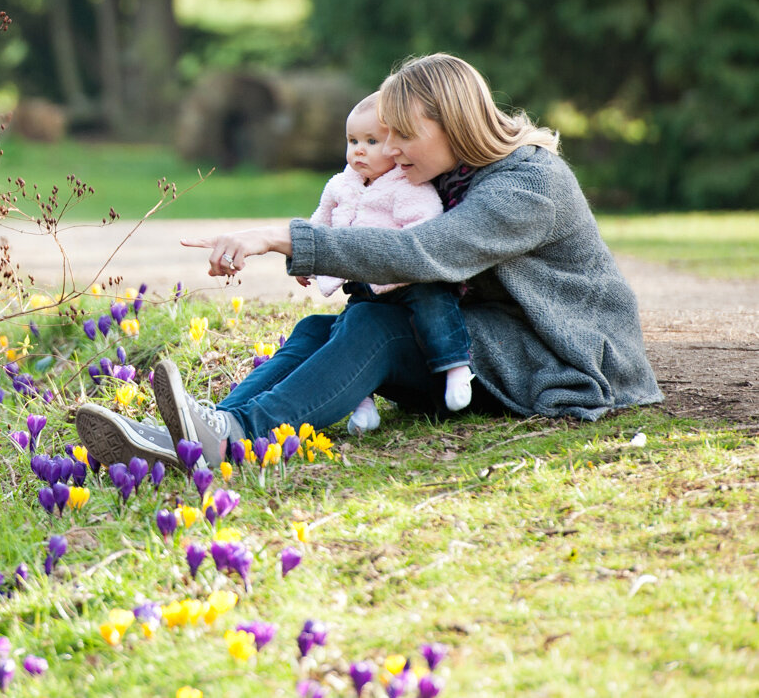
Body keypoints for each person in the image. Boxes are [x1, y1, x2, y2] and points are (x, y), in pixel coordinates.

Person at [75, 53, 662, 469]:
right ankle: (207, 429)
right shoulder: (456, 176)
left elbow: (420, 253)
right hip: (497, 341)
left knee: (374, 326)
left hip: (563, 358)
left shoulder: (527, 185)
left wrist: (285, 237)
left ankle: (239, 438)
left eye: (402, 134)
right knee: (315, 330)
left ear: (452, 124)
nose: (390, 150)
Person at [304, 91, 475, 436]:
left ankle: (456, 367)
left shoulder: (406, 186)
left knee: (436, 310)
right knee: (348, 328)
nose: (359, 150)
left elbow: (425, 226)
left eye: (371, 141)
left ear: (396, 146)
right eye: (352, 141)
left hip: (410, 280)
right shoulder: (341, 184)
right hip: (364, 281)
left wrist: (404, 263)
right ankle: (362, 403)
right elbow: (320, 221)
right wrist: (307, 258)